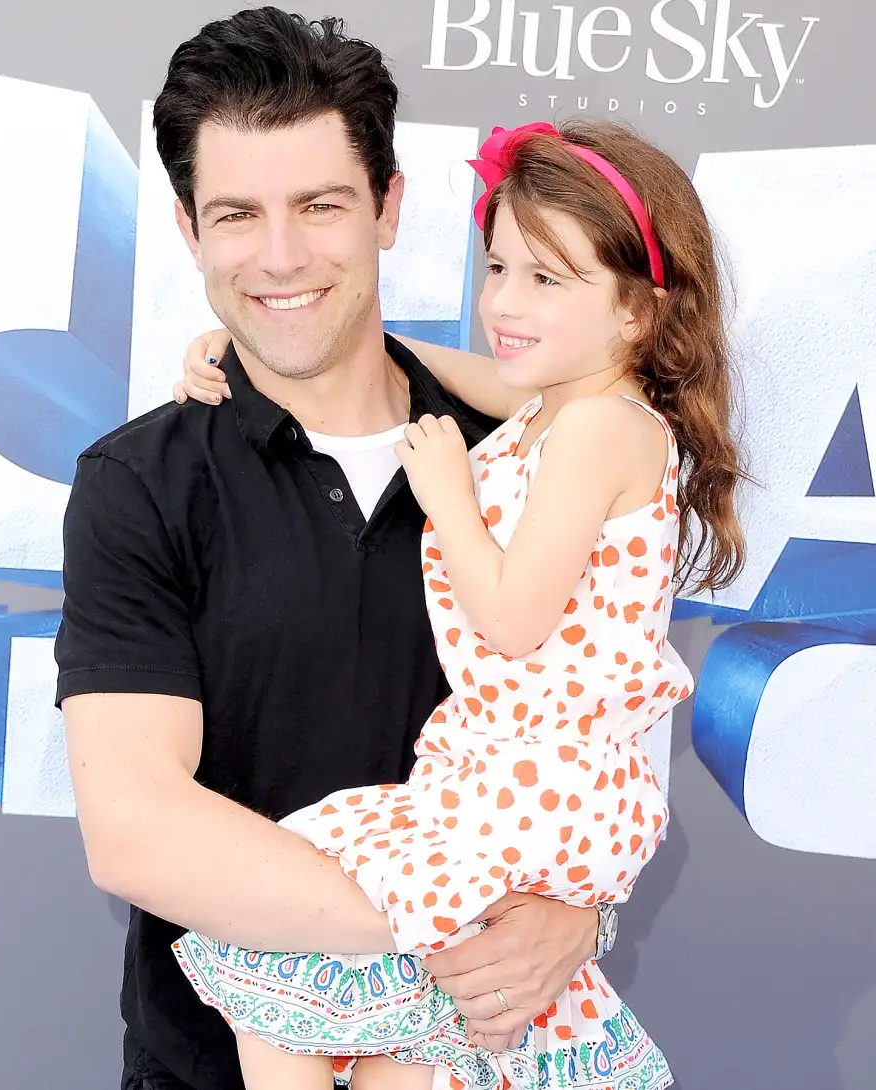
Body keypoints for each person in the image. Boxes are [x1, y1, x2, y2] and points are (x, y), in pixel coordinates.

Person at [55, 11, 605, 1090]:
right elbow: (138, 830)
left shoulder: (540, 460)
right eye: (237, 215)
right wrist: (458, 931)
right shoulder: (140, 485)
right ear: (188, 229)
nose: (280, 256)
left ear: (389, 205)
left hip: (488, 1063)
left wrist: (577, 911)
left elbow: (592, 737)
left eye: (319, 206)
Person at [171, 119, 745, 1090]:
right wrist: (259, 341)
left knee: (334, 989)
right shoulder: (552, 409)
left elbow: (515, 619)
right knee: (285, 989)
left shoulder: (604, 428)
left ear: (638, 314)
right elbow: (409, 368)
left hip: (533, 792)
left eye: (546, 279)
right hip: (478, 777)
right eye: (498, 267)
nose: (504, 305)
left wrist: (447, 498)